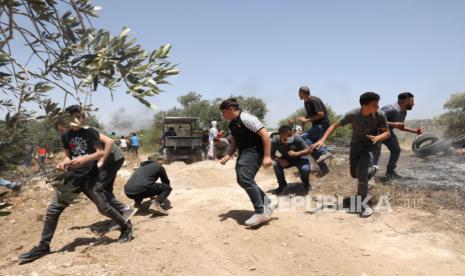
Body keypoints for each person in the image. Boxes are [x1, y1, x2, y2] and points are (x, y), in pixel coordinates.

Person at [19, 114, 134, 263]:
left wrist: (94, 162)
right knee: (53, 209)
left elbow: (101, 150)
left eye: (64, 127)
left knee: (103, 207)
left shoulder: (88, 131)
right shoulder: (66, 136)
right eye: (60, 129)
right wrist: (63, 163)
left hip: (91, 175)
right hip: (73, 177)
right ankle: (43, 245)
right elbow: (69, 156)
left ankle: (126, 227)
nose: (63, 131)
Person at [311, 92, 391, 218]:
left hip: (371, 146)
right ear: (364, 105)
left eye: (378, 103)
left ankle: (363, 204)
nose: (378, 106)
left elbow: (387, 133)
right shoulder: (352, 115)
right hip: (355, 146)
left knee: (362, 171)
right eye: (374, 104)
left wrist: (378, 137)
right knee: (354, 174)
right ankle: (372, 170)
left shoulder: (380, 115)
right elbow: (334, 125)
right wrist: (322, 140)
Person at [63, 106, 137, 223]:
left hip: (112, 158)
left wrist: (101, 161)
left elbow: (109, 141)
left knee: (98, 188)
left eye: (81, 117)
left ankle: (124, 210)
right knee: (105, 189)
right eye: (76, 117)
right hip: (109, 159)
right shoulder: (71, 133)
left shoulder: (88, 129)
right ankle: (119, 215)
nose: (80, 120)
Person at [219, 98, 277, 227]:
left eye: (223, 112)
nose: (223, 115)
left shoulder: (247, 118)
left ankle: (260, 212)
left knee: (245, 178)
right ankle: (267, 203)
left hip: (255, 151)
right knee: (243, 179)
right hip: (245, 152)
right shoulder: (232, 124)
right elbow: (234, 141)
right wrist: (228, 154)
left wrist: (267, 156)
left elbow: (265, 134)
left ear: (231, 109)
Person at [372, 92, 423, 180]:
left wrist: (414, 131)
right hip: (376, 132)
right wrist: (394, 124)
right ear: (405, 100)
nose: (413, 104)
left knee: (396, 150)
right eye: (412, 101)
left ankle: (390, 172)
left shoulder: (404, 112)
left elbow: (400, 126)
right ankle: (369, 176)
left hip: (388, 133)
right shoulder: (389, 109)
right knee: (376, 153)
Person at [297, 86, 333, 176]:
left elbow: (321, 114)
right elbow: (310, 115)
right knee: (312, 148)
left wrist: (306, 120)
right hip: (316, 126)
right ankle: (325, 171)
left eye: (299, 93)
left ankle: (324, 152)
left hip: (322, 125)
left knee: (303, 137)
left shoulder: (313, 100)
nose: (298, 95)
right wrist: (304, 120)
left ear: (303, 93)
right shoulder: (306, 102)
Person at [271, 125, 311, 194]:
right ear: (281, 135)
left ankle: (306, 182)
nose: (291, 136)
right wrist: (280, 160)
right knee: (276, 164)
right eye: (289, 135)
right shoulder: (275, 141)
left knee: (305, 169)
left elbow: (309, 150)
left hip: (300, 158)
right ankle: (282, 185)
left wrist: (296, 154)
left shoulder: (296, 138)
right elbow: (271, 155)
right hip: (286, 160)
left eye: (291, 134)